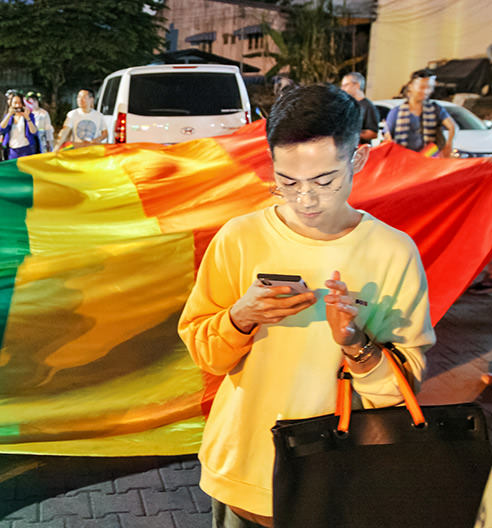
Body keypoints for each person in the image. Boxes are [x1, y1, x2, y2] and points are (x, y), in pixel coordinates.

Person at [178, 84, 435, 527]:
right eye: (287, 183)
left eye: (324, 180)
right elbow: (206, 355)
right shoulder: (239, 238)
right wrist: (241, 318)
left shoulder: (393, 252)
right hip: (244, 468)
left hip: (340, 476)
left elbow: (402, 392)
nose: (306, 199)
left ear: (358, 159)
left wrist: (356, 345)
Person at [384, 69, 456, 157]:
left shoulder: (436, 109)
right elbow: (388, 138)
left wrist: (448, 145)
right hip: (403, 159)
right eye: (422, 87)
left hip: (428, 159)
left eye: (429, 88)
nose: (426, 91)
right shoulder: (396, 112)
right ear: (410, 86)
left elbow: (452, 127)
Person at [340, 72, 380, 144]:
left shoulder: (368, 107)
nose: (342, 89)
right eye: (342, 86)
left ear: (357, 85)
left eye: (345, 85)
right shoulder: (349, 105)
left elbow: (373, 133)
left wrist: (351, 134)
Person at [0, 92, 40, 160]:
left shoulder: (29, 115)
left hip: (26, 150)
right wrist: (9, 114)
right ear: (11, 104)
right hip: (12, 151)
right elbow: (1, 129)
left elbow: (34, 132)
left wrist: (27, 118)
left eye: (20, 102)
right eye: (15, 103)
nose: (18, 105)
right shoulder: (8, 117)